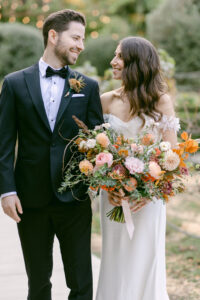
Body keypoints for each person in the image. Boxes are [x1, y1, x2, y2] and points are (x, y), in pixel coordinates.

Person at [0, 9, 103, 300]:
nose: (81, 45)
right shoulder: (15, 83)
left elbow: (98, 142)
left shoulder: (88, 87)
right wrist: (7, 190)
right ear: (53, 35)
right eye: (76, 37)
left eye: (82, 39)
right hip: (30, 200)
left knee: (81, 284)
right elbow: (4, 143)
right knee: (39, 284)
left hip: (75, 200)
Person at [96, 37, 180, 300]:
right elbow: (96, 150)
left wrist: (147, 191)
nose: (113, 61)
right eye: (114, 55)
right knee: (115, 257)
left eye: (119, 56)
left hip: (148, 200)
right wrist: (109, 184)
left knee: (144, 258)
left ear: (136, 62)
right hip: (113, 197)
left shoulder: (160, 101)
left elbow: (172, 156)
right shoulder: (106, 101)